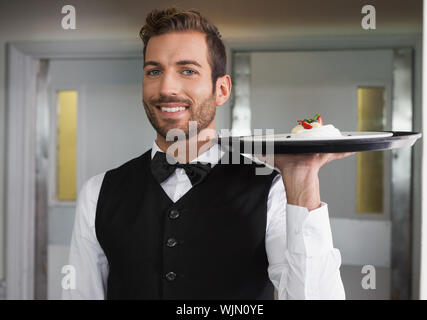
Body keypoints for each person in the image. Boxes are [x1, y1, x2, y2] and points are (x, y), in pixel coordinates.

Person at [63, 7, 352, 300]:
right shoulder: (98, 193)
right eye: (154, 71)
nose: (167, 87)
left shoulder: (271, 189)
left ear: (222, 89)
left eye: (188, 70)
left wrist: (302, 180)